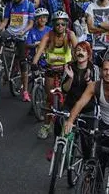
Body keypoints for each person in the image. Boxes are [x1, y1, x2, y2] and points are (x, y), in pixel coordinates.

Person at [64, 59, 109, 194]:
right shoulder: (94, 86)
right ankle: (97, 189)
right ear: (101, 71)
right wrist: (70, 120)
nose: (108, 73)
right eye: (105, 70)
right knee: (98, 163)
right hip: (105, 125)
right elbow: (80, 103)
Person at [33, 10, 77, 139]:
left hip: (67, 70)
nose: (60, 27)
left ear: (66, 24)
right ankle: (46, 126)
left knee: (70, 98)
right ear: (53, 24)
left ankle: (70, 123)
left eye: (63, 24)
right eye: (57, 24)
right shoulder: (48, 35)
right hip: (51, 69)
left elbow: (78, 48)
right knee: (49, 99)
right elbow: (40, 50)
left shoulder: (70, 35)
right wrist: (34, 62)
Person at [0, 0, 35, 100]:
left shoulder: (29, 5)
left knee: (23, 62)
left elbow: (31, 24)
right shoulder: (9, 5)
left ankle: (25, 92)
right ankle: (0, 60)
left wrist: (23, 32)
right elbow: (5, 21)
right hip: (10, 31)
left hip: (22, 34)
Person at [25, 8, 52, 100]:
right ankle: (34, 100)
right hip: (35, 58)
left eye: (44, 17)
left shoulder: (50, 30)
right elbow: (28, 44)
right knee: (35, 79)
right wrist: (35, 44)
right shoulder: (32, 31)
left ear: (47, 19)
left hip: (47, 58)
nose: (42, 20)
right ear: (36, 19)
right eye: (39, 18)